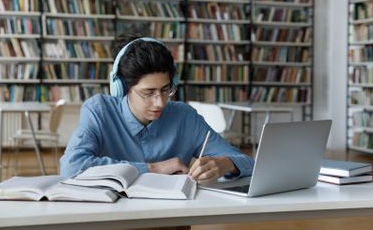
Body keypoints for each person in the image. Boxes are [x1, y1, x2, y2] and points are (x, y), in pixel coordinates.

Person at [60, 35, 254, 185]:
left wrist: (225, 164)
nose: (160, 102)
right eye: (148, 93)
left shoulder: (185, 117)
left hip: (168, 220)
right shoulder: (99, 111)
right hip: (115, 216)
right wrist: (152, 169)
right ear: (123, 88)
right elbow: (71, 167)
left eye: (165, 90)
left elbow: (248, 162)